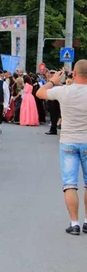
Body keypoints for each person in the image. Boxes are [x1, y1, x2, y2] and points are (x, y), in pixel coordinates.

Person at [36, 62, 87, 235]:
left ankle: (74, 223)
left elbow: (40, 93)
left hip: (68, 141)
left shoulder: (64, 91)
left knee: (70, 184)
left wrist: (52, 80)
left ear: (73, 73)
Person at [45, 70, 61, 135]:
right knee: (52, 115)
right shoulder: (50, 81)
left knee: (55, 115)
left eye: (52, 73)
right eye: (51, 73)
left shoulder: (57, 81)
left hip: (55, 100)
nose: (51, 75)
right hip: (50, 98)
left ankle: (53, 129)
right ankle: (52, 129)